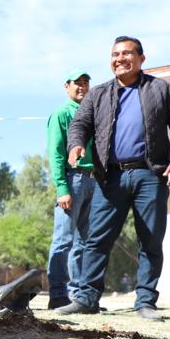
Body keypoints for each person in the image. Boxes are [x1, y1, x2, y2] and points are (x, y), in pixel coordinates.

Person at [58, 36, 170, 319]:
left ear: (141, 58)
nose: (119, 59)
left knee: (150, 240)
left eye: (126, 53)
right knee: (96, 239)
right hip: (110, 178)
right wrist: (76, 144)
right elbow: (80, 124)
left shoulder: (160, 89)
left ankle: (145, 301)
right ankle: (86, 298)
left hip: (150, 176)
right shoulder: (98, 94)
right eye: (114, 54)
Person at [45, 70, 95, 309]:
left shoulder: (91, 113)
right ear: (67, 86)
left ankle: (78, 297)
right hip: (72, 180)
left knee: (84, 241)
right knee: (63, 240)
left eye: (86, 82)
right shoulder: (61, 114)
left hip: (94, 181)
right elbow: (55, 153)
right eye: (78, 83)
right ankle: (57, 295)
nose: (83, 87)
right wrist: (62, 187)